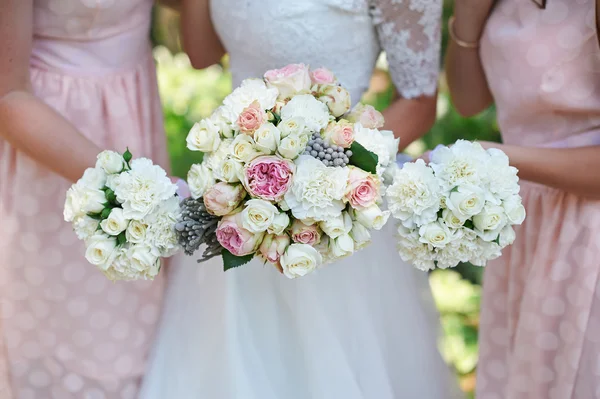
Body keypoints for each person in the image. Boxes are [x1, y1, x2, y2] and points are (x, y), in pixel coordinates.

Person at [140, 0, 462, 398]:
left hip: (335, 211)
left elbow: (418, 100)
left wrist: (325, 177)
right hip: (237, 202)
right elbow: (202, 54)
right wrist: (255, 174)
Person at [0, 1, 174, 397]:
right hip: (57, 146)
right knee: (70, 343)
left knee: (144, 331)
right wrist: (130, 186)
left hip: (133, 116)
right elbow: (6, 96)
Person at [445, 0, 600, 397]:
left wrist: (501, 159)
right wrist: (468, 16)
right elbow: (468, 101)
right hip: (527, 226)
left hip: (588, 230)